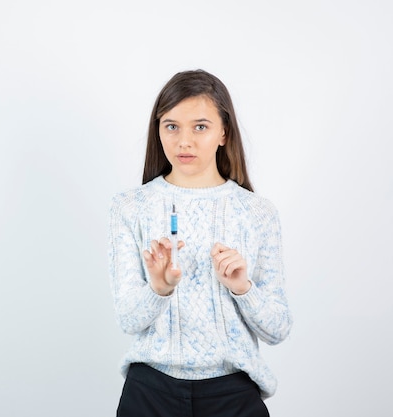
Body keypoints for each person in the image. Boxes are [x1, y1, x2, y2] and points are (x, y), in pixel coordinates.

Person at [108, 69, 292, 417]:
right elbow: (129, 320)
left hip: (233, 396)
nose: (184, 141)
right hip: (150, 395)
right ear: (158, 129)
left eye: (201, 126)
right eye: (172, 126)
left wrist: (243, 288)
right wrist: (158, 289)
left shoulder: (257, 213)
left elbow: (278, 328)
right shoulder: (130, 207)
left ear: (224, 132)